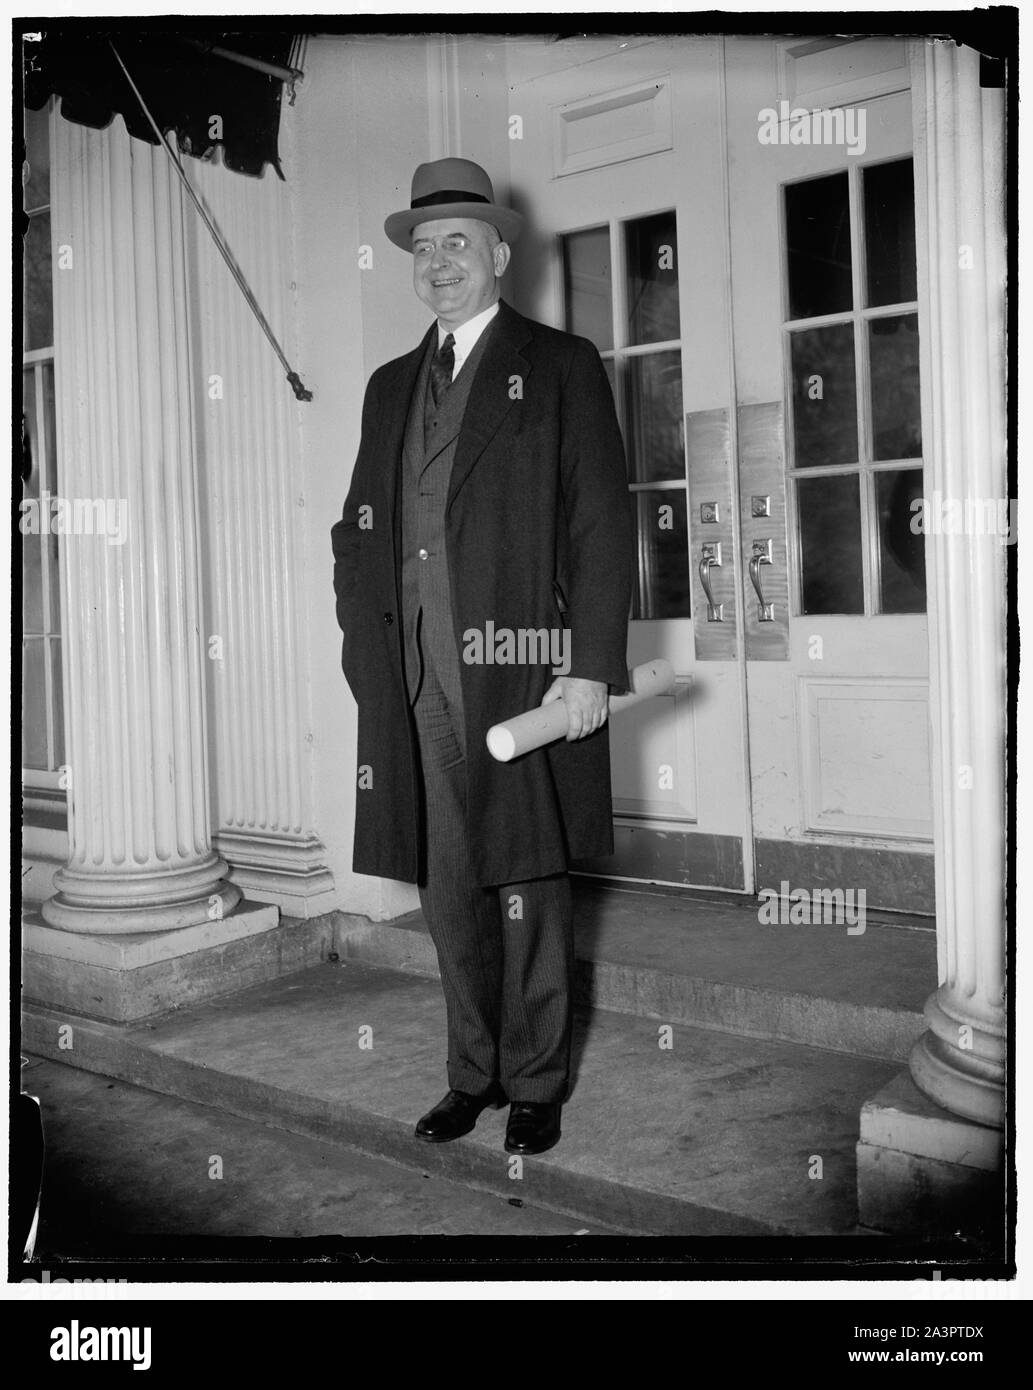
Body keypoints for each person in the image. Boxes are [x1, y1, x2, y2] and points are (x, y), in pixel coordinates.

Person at [331, 158, 634, 1155]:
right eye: (423, 247)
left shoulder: (559, 364)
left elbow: (598, 524)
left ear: (499, 254)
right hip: (413, 682)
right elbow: (357, 531)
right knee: (447, 878)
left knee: (529, 878)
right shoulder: (387, 388)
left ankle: (538, 1079)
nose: (437, 261)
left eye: (457, 241)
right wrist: (362, 650)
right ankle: (474, 1072)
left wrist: (588, 666)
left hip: (522, 671)